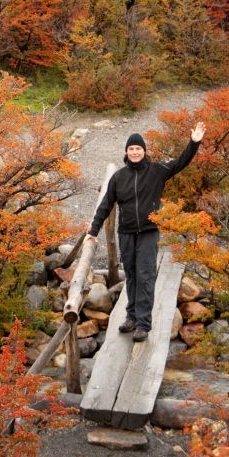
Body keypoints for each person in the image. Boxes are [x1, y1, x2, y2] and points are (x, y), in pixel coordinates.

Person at [85, 123, 206, 342]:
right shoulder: (118, 178)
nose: (134, 152)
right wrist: (93, 230)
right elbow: (106, 204)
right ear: (126, 152)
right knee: (131, 275)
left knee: (146, 276)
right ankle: (131, 317)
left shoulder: (156, 171)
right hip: (127, 233)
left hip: (149, 232)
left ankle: (143, 324)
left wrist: (194, 143)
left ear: (144, 151)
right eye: (131, 148)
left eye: (138, 148)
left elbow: (180, 163)